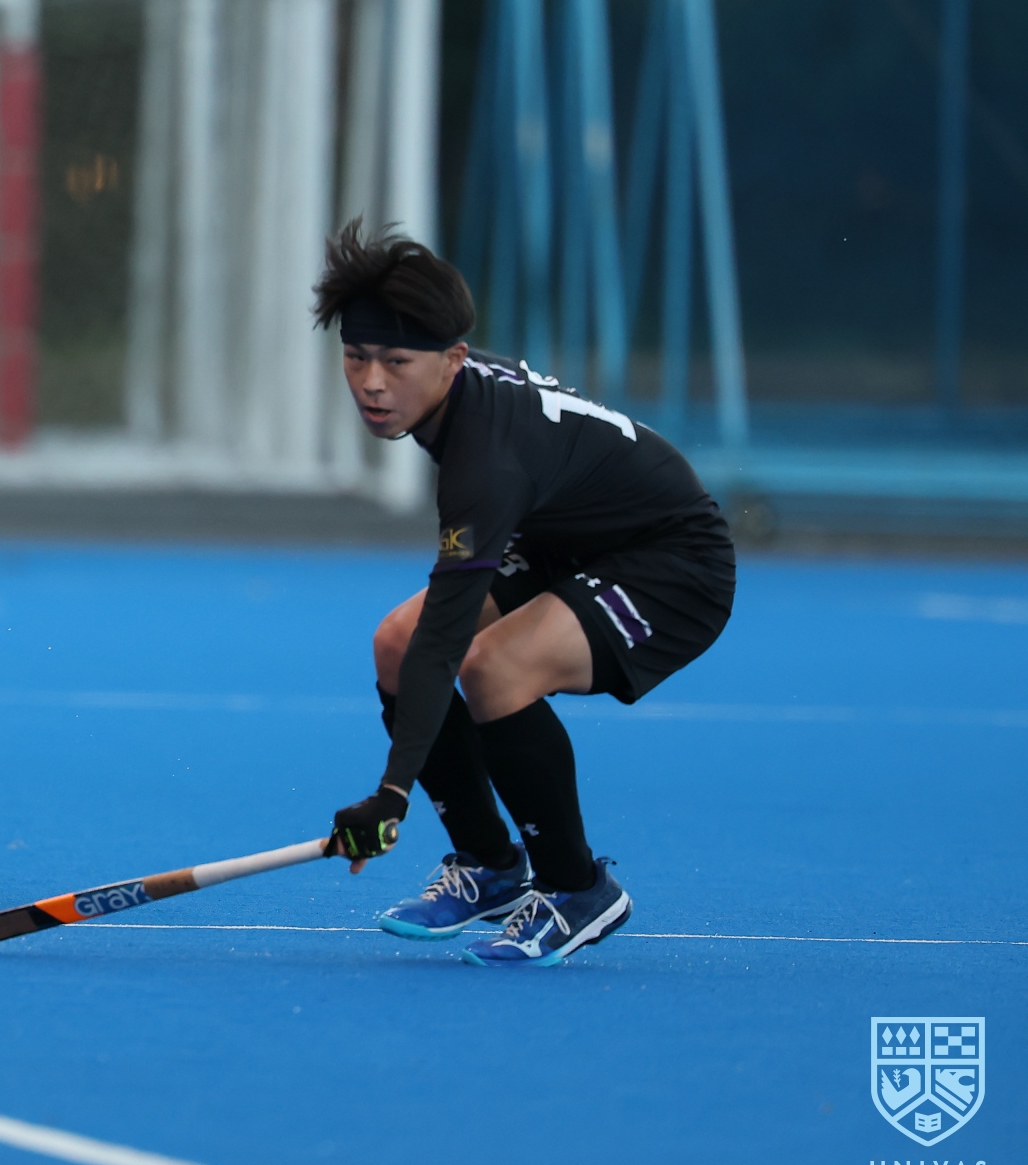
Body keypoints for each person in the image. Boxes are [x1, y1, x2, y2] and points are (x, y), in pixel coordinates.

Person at [315, 221, 735, 966]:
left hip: (671, 563)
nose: (373, 383)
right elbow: (423, 645)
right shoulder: (457, 397)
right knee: (396, 644)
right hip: (563, 542)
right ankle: (489, 864)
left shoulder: (485, 463)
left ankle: (578, 888)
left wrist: (391, 795)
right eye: (357, 358)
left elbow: (449, 638)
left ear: (454, 360)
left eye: (396, 363)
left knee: (493, 666)